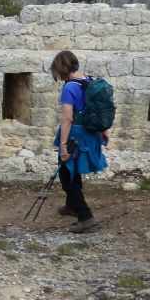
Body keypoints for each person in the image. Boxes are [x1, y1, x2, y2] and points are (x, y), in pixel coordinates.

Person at [49, 50, 109, 233]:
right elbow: (97, 109)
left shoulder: (69, 88)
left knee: (66, 176)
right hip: (91, 133)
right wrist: (104, 130)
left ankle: (86, 217)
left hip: (76, 135)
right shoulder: (89, 80)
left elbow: (67, 118)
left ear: (60, 68)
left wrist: (63, 145)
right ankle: (71, 206)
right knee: (73, 172)